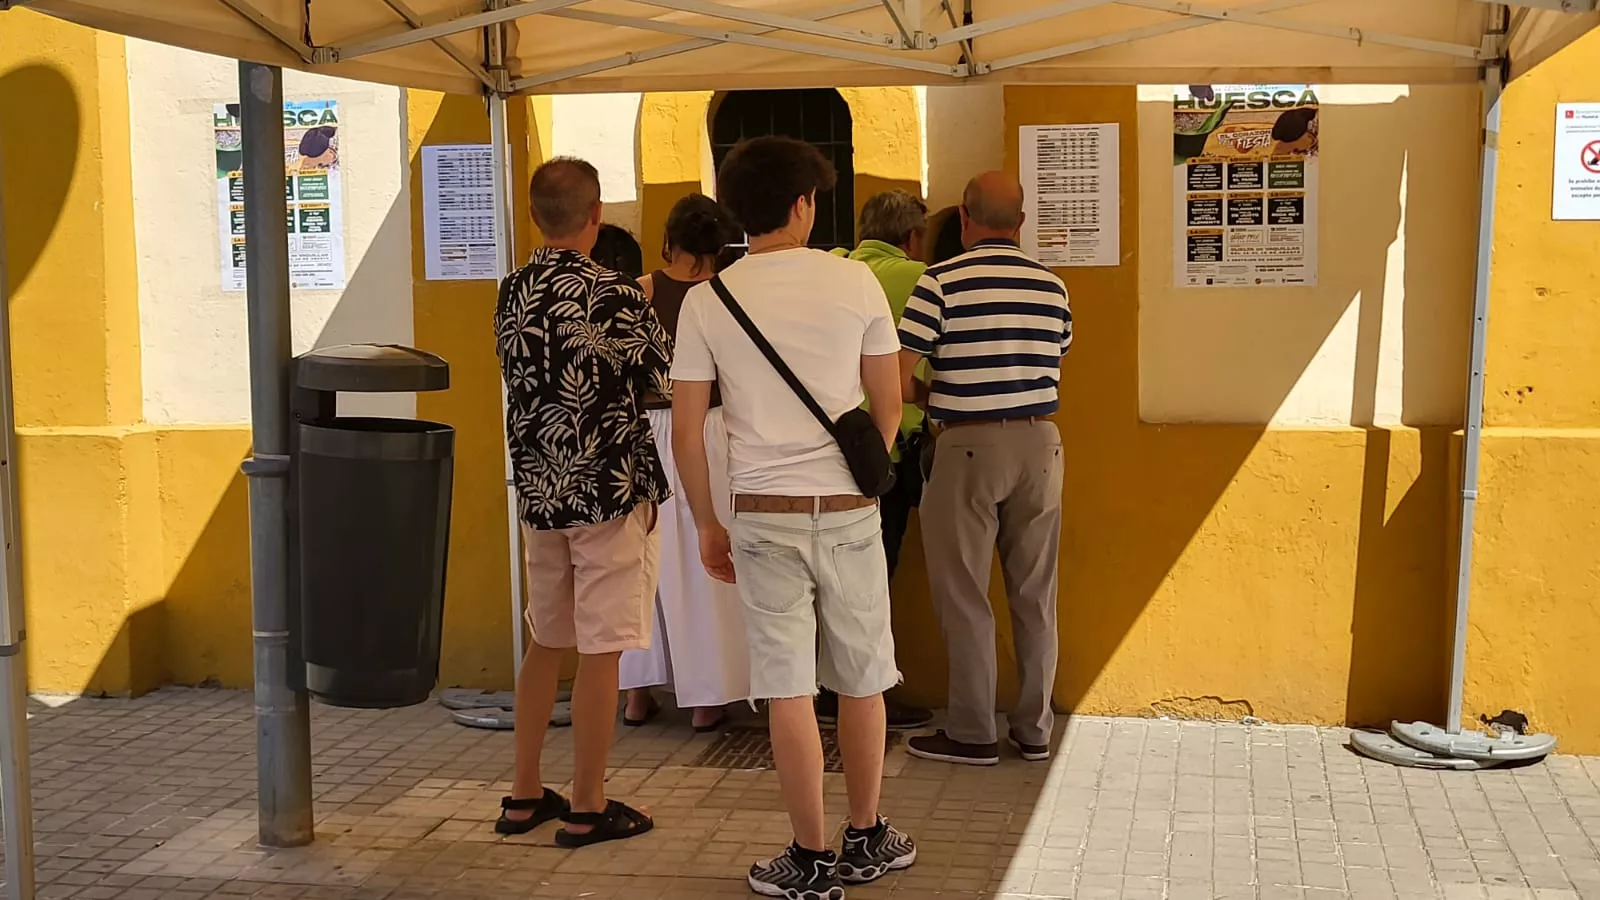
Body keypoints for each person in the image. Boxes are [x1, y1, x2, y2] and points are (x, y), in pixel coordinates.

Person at [671, 136, 917, 897]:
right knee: (864, 677)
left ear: (739, 210)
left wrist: (707, 521)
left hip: (762, 514)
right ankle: (867, 835)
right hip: (847, 507)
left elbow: (686, 431)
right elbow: (889, 403)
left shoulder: (708, 301)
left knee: (786, 687)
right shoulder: (856, 285)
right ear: (805, 204)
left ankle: (810, 861)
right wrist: (862, 476)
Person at [490, 157, 667, 845]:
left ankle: (525, 792)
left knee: (545, 639)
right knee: (602, 650)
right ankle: (589, 803)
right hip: (608, 488)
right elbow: (664, 376)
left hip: (539, 491)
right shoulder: (616, 295)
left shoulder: (511, 291)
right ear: (596, 216)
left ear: (535, 216)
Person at [898, 171, 1072, 767]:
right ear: (1021, 222)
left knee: (965, 594)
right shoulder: (1053, 287)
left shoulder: (939, 282)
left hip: (966, 447)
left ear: (966, 221)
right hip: (1042, 446)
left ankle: (973, 731)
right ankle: (1035, 728)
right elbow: (1055, 357)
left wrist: (931, 397)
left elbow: (898, 375)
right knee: (1035, 594)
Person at [619, 194, 750, 732]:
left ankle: (636, 691)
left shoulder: (640, 293)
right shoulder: (726, 298)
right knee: (705, 566)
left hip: (642, 432)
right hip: (709, 430)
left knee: (640, 564)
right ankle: (707, 696)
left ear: (668, 239)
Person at [820, 191, 936, 732]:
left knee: (829, 578)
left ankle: (825, 687)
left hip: (826, 450)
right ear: (912, 237)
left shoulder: (833, 270)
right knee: (874, 577)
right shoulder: (919, 277)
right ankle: (869, 695)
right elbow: (924, 377)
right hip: (885, 452)